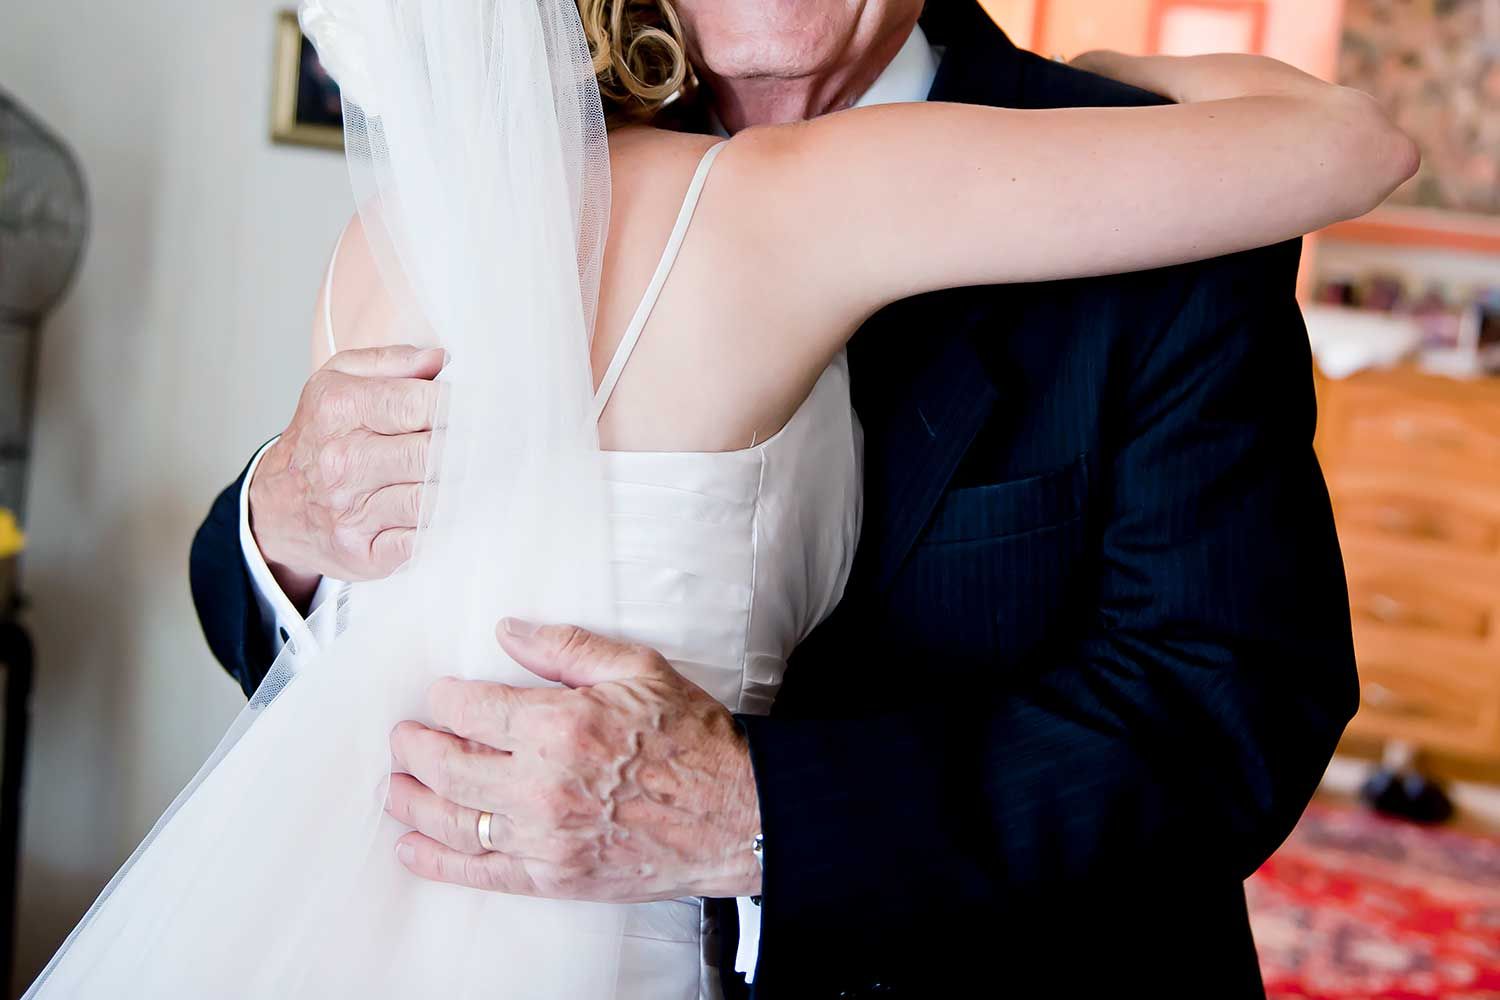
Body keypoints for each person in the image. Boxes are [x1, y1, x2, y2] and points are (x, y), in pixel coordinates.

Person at [179, 1, 1410, 996]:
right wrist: (279, 518)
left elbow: (1226, 712)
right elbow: (319, 640)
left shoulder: (1157, 178)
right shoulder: (504, 194)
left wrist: (756, 817)